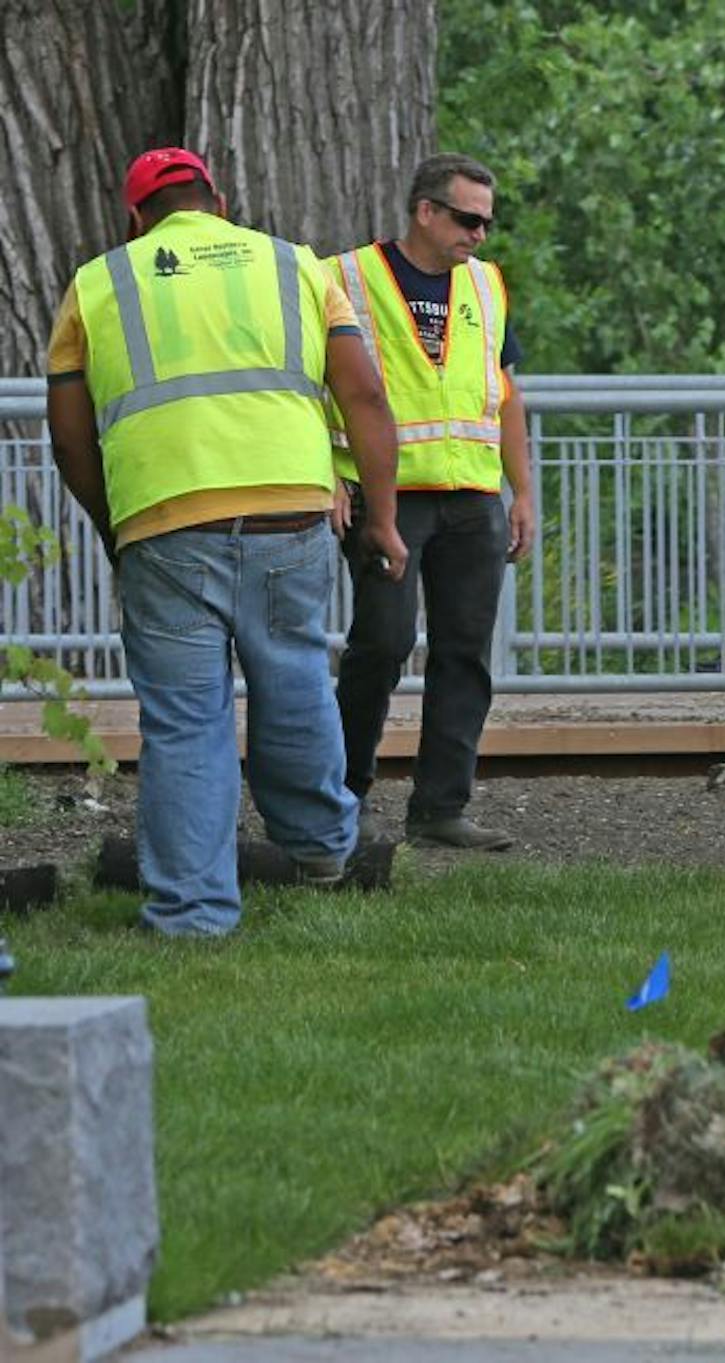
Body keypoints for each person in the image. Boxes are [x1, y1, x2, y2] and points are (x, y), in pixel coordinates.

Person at [45, 147, 408, 938]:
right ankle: (320, 849)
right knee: (296, 679)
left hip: (164, 523)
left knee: (184, 720)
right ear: (218, 199)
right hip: (289, 514)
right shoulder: (299, 268)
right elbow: (366, 394)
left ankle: (192, 911)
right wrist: (380, 515)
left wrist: (118, 527)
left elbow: (71, 439)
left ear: (136, 216)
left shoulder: (101, 282)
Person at [328, 154, 536, 850]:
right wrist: (329, 475)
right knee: (381, 643)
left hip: (473, 496)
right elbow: (312, 389)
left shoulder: (487, 285)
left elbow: (505, 396)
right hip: (387, 495)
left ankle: (441, 807)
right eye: (468, 219)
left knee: (466, 652)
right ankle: (343, 796)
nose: (480, 234)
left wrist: (523, 490)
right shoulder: (347, 277)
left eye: (487, 221)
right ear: (425, 211)